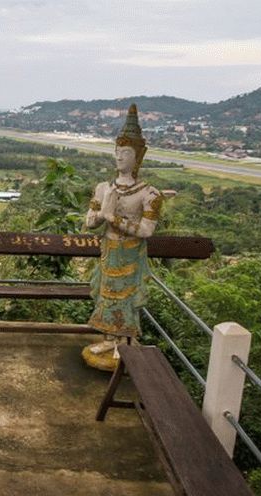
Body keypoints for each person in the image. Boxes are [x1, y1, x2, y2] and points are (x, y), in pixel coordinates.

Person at [83, 104, 163, 367]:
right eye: (117, 151)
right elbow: (89, 222)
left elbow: (146, 231)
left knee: (127, 297)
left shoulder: (149, 193)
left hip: (130, 253)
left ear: (138, 156)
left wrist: (111, 217)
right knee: (107, 294)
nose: (119, 157)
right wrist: (100, 213)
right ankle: (109, 338)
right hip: (109, 252)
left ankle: (125, 342)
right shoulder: (103, 187)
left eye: (126, 152)